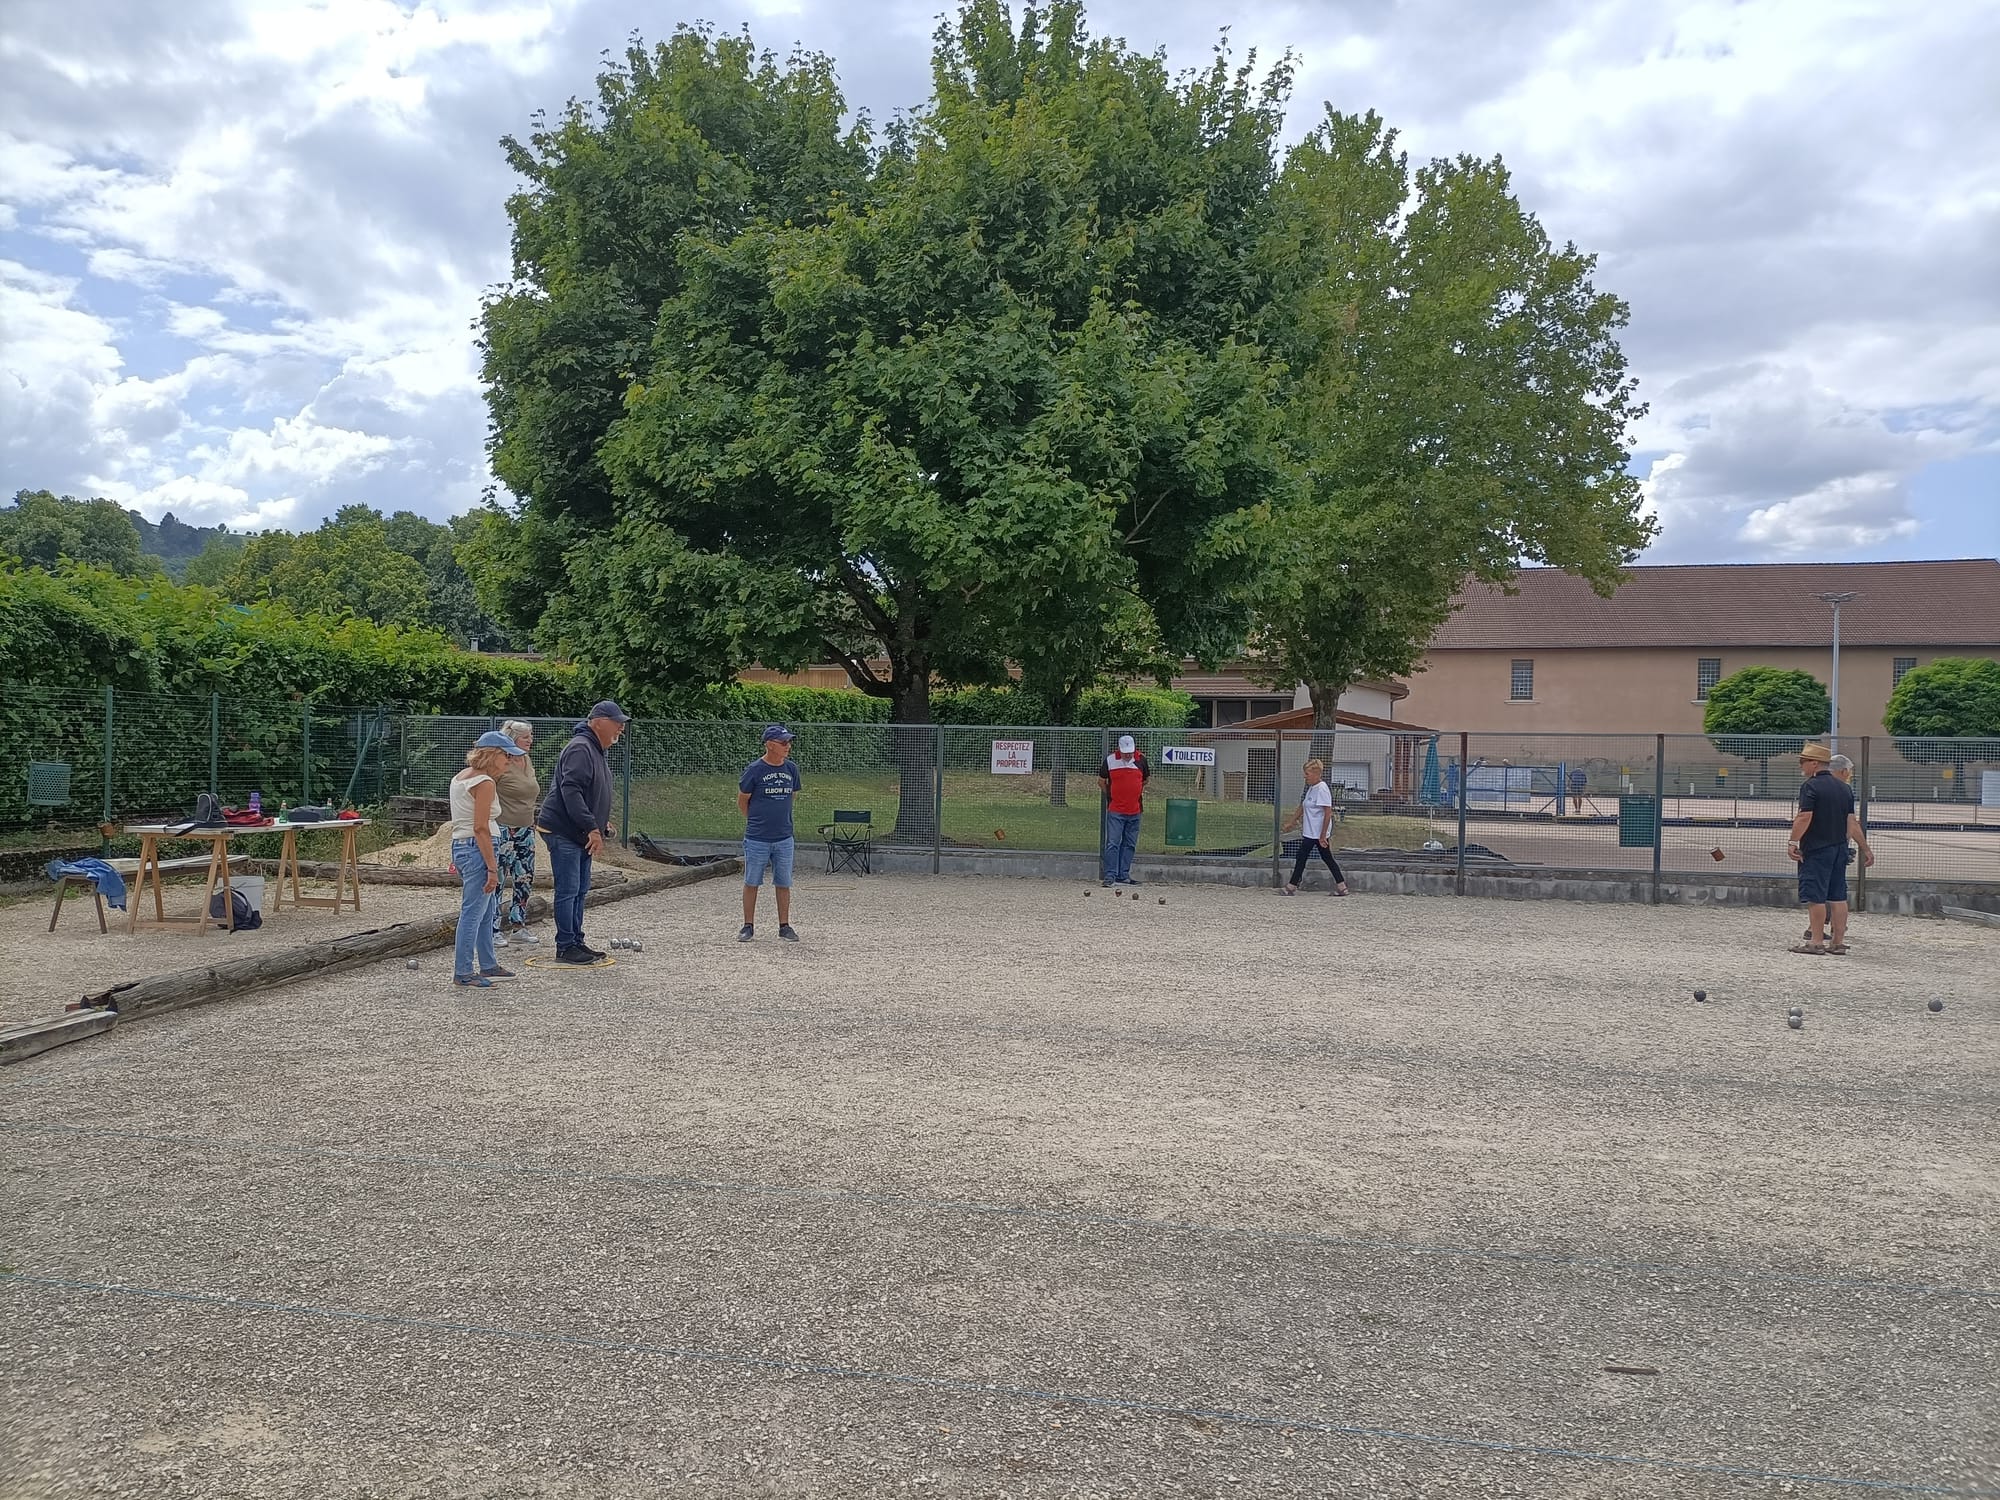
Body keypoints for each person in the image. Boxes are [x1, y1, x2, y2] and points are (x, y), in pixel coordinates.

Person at [536, 700, 627, 966]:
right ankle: (565, 947)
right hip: (564, 830)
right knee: (568, 889)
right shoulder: (580, 748)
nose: (621, 728)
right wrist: (591, 827)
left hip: (579, 831)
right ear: (598, 722)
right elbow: (571, 791)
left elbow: (590, 792)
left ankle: (576, 941)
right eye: (617, 722)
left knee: (580, 889)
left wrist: (600, 822)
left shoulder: (595, 749)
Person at [450, 731, 526, 988]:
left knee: (486, 910)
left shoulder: (461, 777)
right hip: (478, 848)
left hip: (463, 846)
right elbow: (480, 827)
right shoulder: (484, 783)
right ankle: (463, 971)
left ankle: (488, 963)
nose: (509, 761)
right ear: (493, 755)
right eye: (506, 756)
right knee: (473, 912)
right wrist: (492, 868)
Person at [1788, 742, 1873, 955]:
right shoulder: (1844, 788)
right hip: (1839, 848)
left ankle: (1816, 941)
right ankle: (1838, 942)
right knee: (1838, 895)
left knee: (1815, 896)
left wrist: (1793, 842)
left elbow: (1805, 816)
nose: (1801, 765)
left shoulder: (1811, 786)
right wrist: (1864, 848)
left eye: (1803, 761)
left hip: (1817, 848)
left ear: (1814, 763)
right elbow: (1851, 821)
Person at [738, 723, 801, 942]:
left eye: (789, 742)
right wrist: (756, 821)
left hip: (784, 837)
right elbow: (743, 800)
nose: (788, 746)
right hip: (757, 837)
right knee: (752, 881)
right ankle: (748, 926)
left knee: (784, 882)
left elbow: (792, 795)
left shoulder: (791, 769)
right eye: (783, 742)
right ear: (770, 745)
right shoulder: (755, 770)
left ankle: (784, 926)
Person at [492, 719, 541, 948]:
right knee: (499, 879)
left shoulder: (526, 760)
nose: (531, 740)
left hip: (526, 827)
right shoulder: (500, 762)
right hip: (504, 827)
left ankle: (518, 924)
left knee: (524, 877)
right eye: (525, 737)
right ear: (512, 739)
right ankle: (492, 928)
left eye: (531, 736)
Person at [1280, 758, 1350, 896]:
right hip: (1310, 832)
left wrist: (1323, 835)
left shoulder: (1322, 789)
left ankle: (1291, 886)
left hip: (1317, 833)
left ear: (1316, 773)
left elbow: (1327, 813)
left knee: (1303, 856)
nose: (1305, 776)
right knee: (1324, 858)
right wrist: (1292, 821)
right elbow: (1303, 806)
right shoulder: (1312, 789)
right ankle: (1342, 886)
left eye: (1307, 773)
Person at [1098, 734, 1151, 888]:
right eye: (1125, 752)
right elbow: (1101, 781)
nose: (1128, 755)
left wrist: (1135, 791)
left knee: (1129, 844)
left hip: (1135, 810)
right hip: (1116, 810)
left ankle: (1123, 875)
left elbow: (1145, 780)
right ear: (1119, 749)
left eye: (1130, 752)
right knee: (1112, 843)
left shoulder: (1141, 760)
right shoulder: (1110, 760)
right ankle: (1110, 875)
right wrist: (1110, 795)